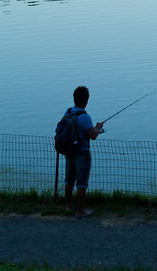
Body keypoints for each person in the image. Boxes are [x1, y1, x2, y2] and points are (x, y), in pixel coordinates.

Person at [62, 85, 104, 219]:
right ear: (86, 101)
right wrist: (97, 127)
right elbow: (93, 135)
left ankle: (69, 206)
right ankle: (80, 211)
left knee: (69, 180)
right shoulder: (85, 117)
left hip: (69, 151)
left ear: (74, 99)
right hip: (81, 153)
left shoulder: (68, 112)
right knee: (81, 183)